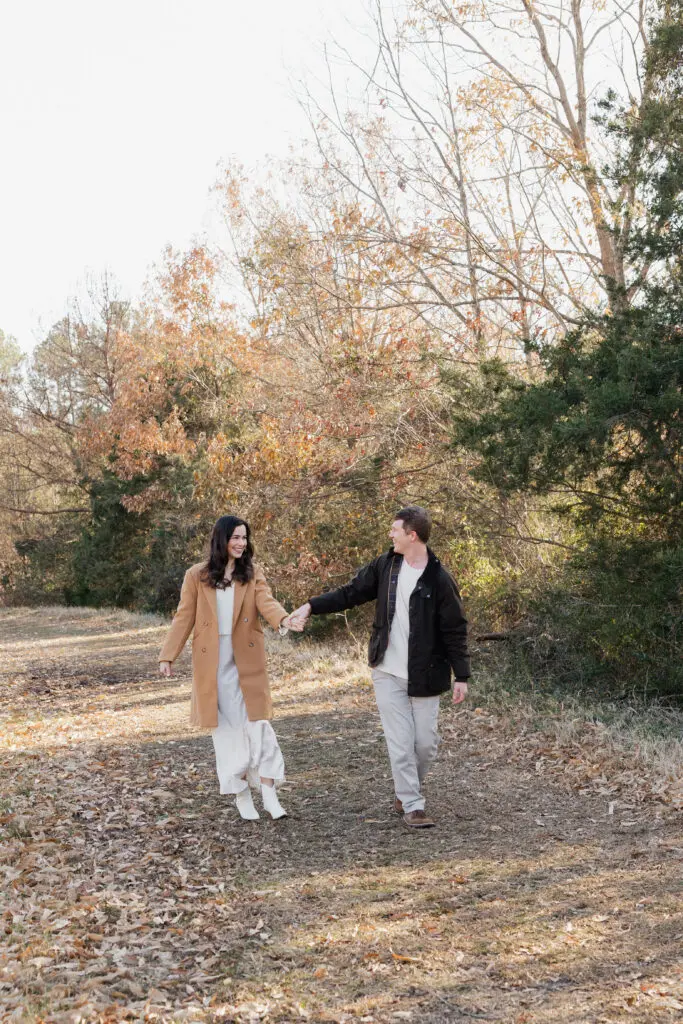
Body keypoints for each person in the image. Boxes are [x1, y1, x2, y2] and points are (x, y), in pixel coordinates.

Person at [291, 506, 469, 829]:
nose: (390, 535)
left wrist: (462, 675)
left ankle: (406, 788)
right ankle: (413, 805)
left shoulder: (439, 580)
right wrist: (311, 606)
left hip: (427, 674)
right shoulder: (387, 566)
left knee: (425, 746)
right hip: (387, 670)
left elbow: (455, 629)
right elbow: (350, 593)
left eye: (395, 530)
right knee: (401, 743)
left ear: (412, 535)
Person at [158, 515, 302, 820]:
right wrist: (167, 655)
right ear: (220, 540)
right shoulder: (196, 575)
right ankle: (241, 795)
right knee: (226, 733)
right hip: (212, 663)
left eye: (244, 538)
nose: (240, 543)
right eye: (235, 537)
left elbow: (267, 603)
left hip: (246, 660)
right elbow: (184, 617)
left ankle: (269, 794)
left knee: (259, 725)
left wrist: (284, 619)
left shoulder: (252, 573)